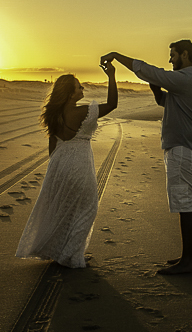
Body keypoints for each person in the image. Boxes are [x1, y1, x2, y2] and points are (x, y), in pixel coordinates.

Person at [100, 40, 192, 275]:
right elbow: (166, 102)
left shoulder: (187, 79)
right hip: (189, 148)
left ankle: (188, 261)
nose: (170, 60)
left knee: (185, 205)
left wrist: (117, 55)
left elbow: (150, 70)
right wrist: (156, 88)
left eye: (173, 55)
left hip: (182, 149)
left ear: (185, 55)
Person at [15, 63, 118, 268]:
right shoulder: (82, 112)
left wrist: (55, 170)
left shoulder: (54, 115)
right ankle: (71, 255)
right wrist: (112, 76)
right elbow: (112, 104)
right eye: (79, 87)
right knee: (88, 207)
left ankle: (64, 250)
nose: (82, 90)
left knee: (65, 209)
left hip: (60, 163)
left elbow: (52, 144)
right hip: (79, 163)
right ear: (71, 94)